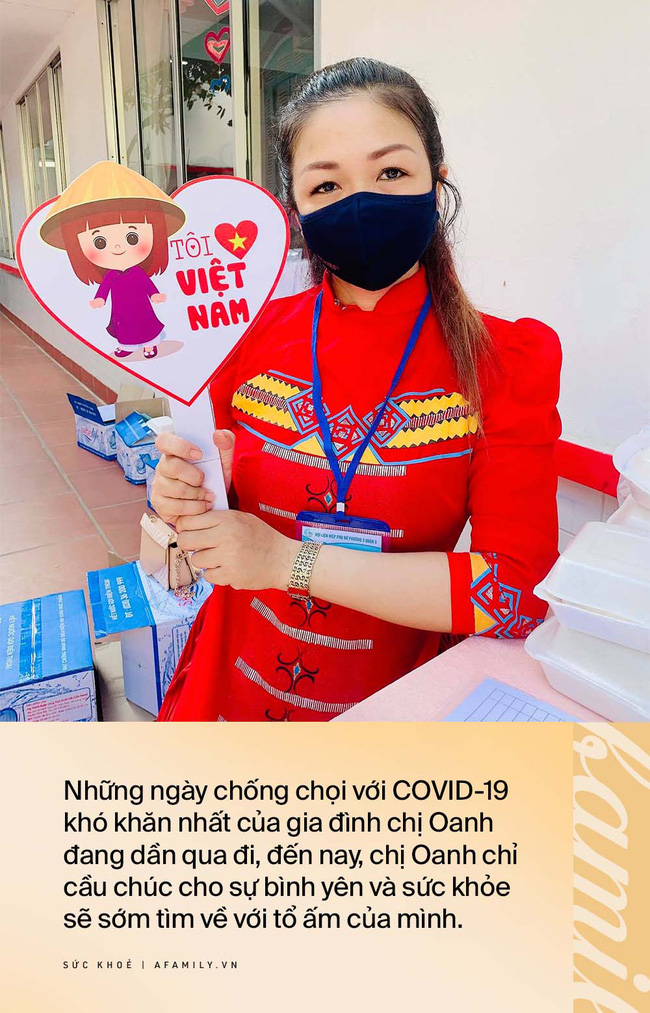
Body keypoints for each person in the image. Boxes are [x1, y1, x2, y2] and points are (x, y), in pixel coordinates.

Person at [152, 57, 562, 722]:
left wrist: (288, 561)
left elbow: (517, 593)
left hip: (391, 707)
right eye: (326, 185)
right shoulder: (243, 337)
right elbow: (200, 528)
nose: (361, 203)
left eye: (391, 172)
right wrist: (180, 496)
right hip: (229, 687)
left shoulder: (505, 362)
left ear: (438, 182)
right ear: (297, 209)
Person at [39, 161, 186, 359]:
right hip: (121, 309)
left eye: (132, 238)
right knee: (124, 324)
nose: (117, 248)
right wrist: (100, 299)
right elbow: (104, 289)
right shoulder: (111, 275)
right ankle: (127, 345)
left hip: (142, 307)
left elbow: (148, 284)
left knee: (145, 322)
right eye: (99, 242)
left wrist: (154, 295)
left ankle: (150, 345)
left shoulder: (137, 272)